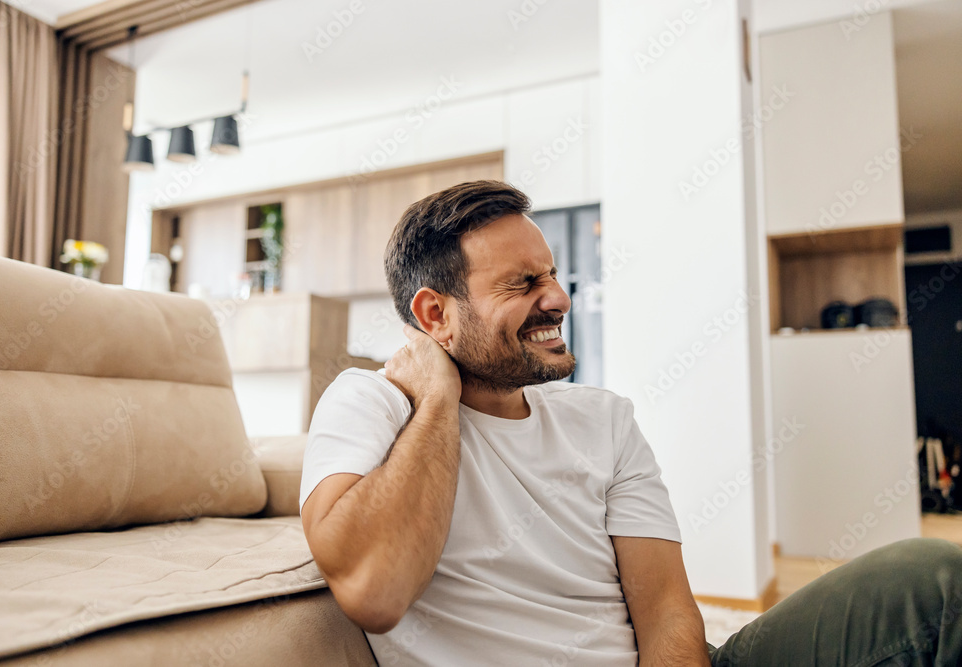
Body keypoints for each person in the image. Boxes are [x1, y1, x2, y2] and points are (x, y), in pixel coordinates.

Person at [299, 180, 962, 666]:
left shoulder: (604, 419)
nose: (558, 298)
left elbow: (669, 608)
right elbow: (374, 590)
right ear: (435, 315)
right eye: (523, 283)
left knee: (934, 583)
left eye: (554, 275)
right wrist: (438, 397)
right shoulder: (371, 403)